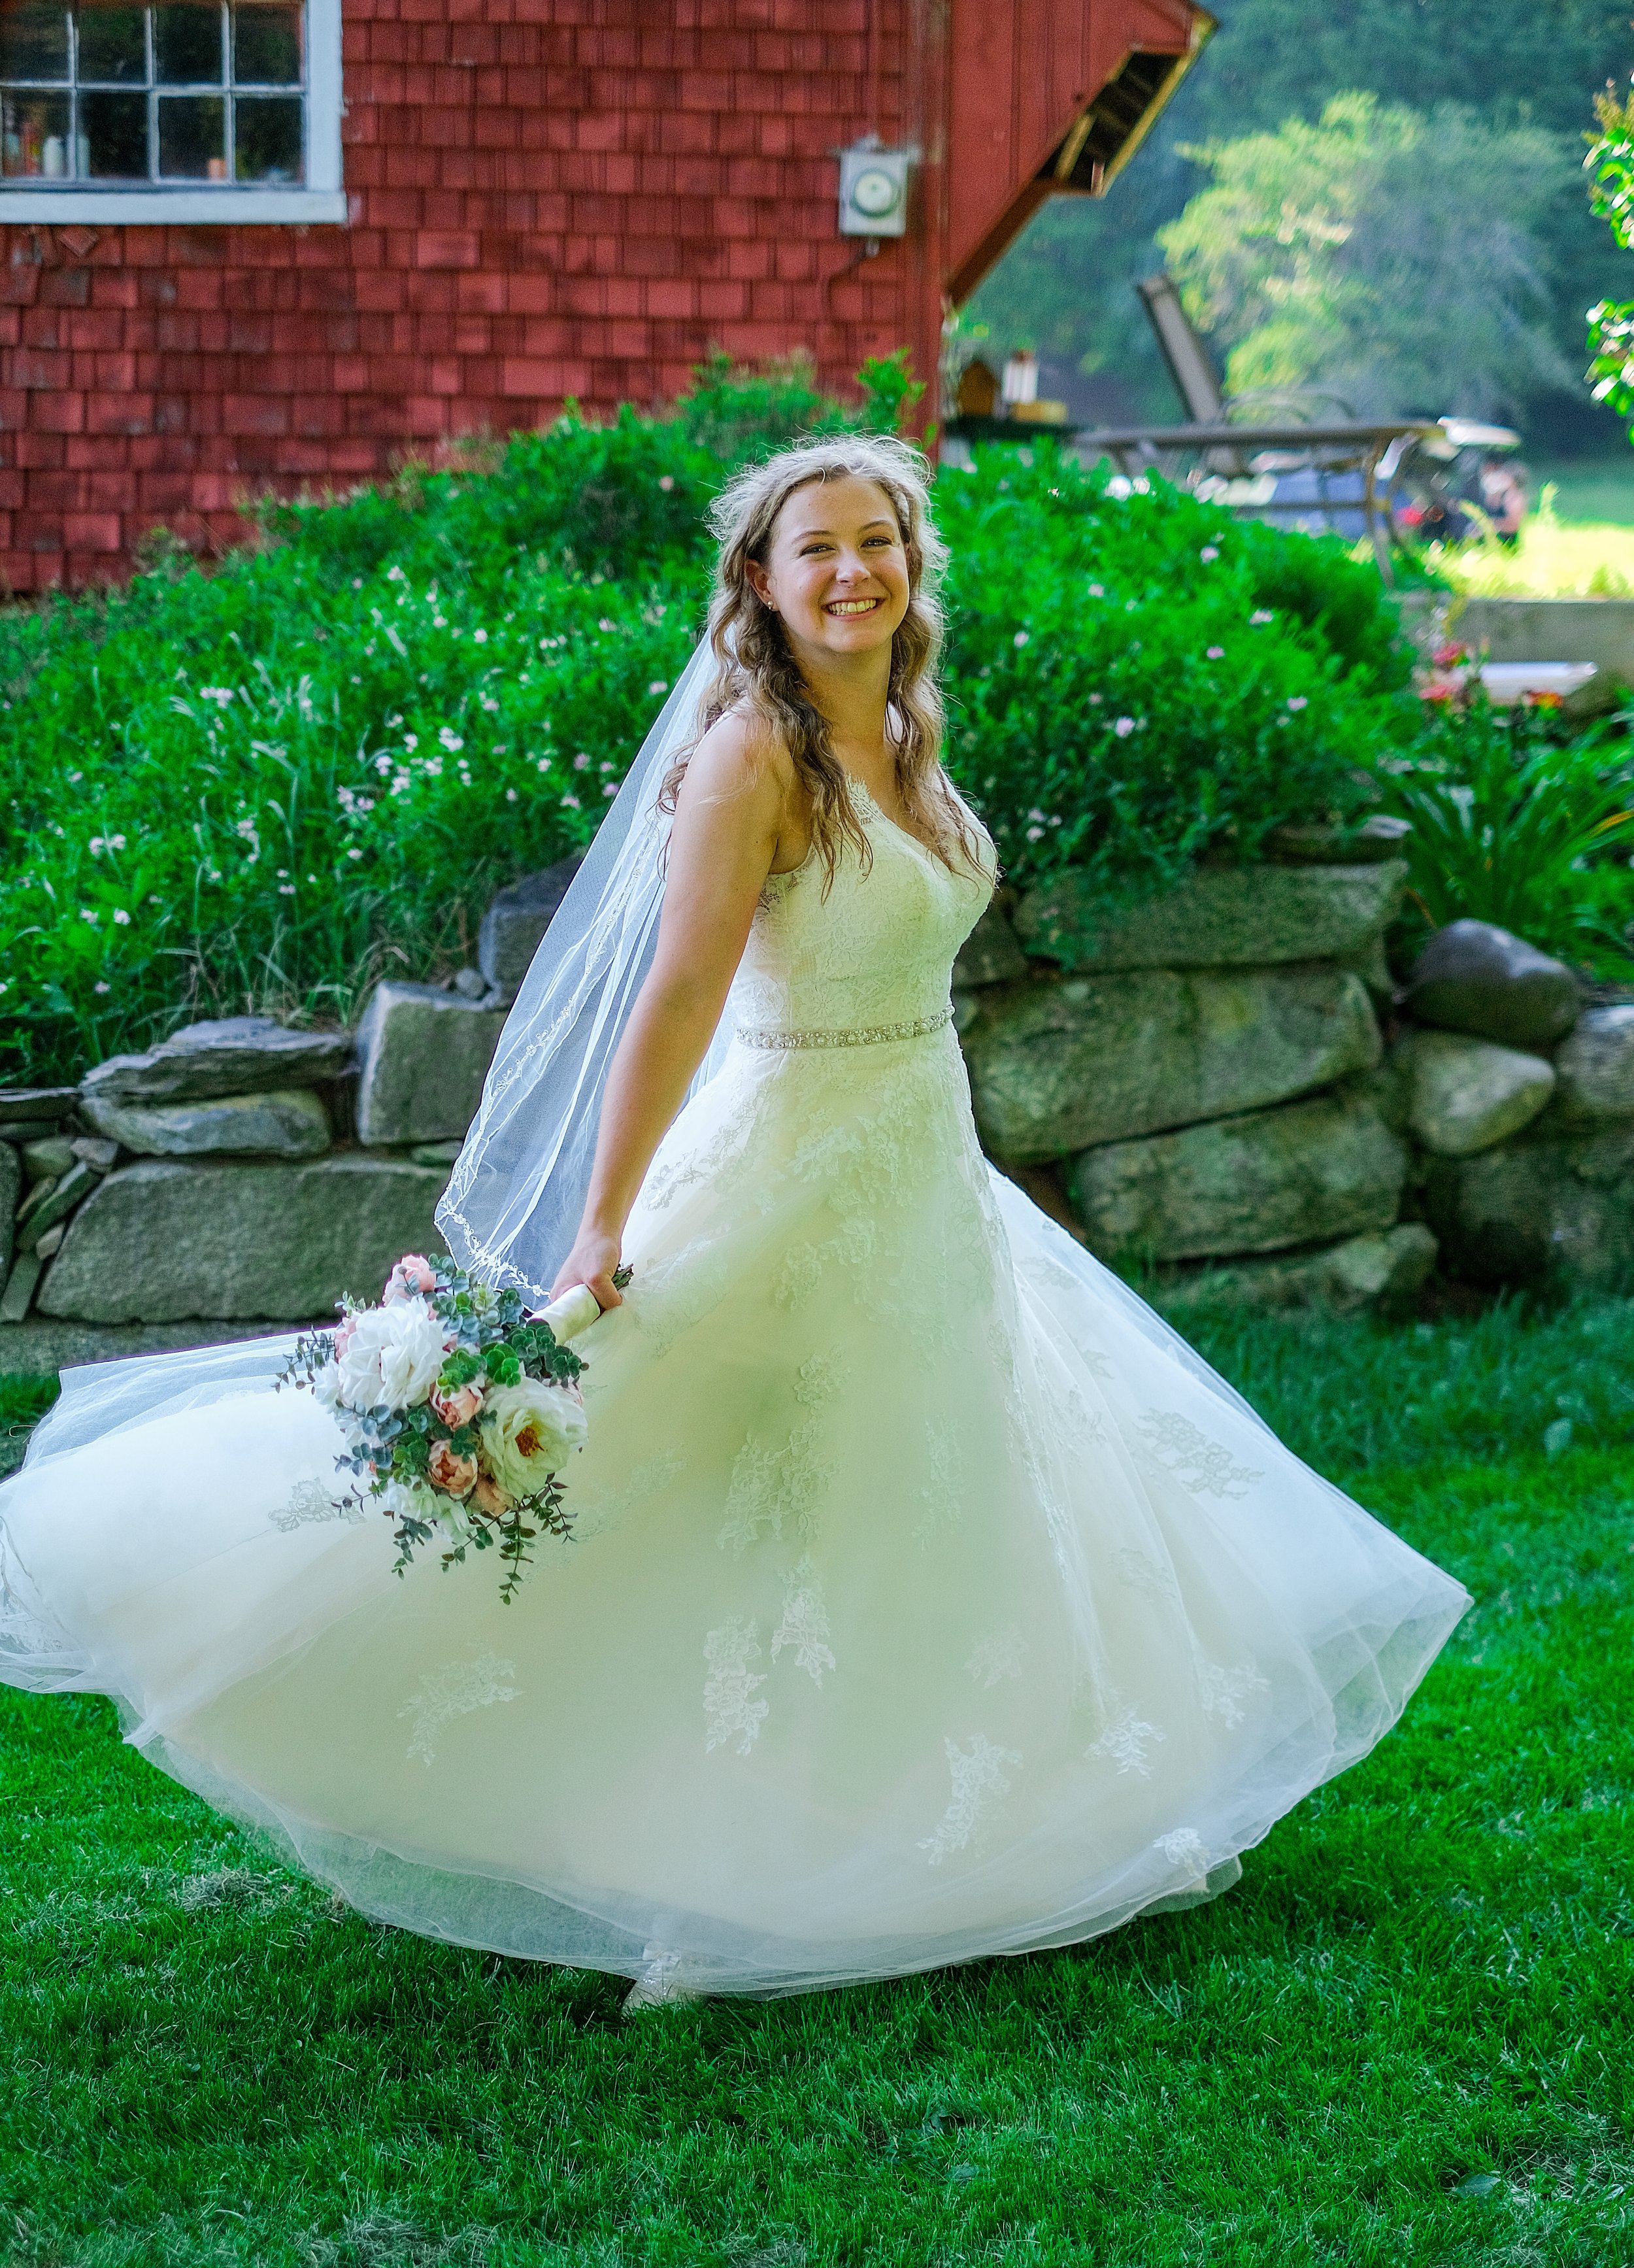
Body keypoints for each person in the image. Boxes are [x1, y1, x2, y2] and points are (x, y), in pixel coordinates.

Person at [0, 437, 1469, 2002]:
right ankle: (633, 1803)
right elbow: (677, 994)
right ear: (758, 584)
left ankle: (945, 1801)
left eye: (878, 543)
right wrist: (602, 1221)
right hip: (791, 1162)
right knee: (708, 1476)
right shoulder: (750, 759)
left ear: (912, 569)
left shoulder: (905, 726)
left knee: (933, 1482)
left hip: (917, 1172)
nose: (852, 571)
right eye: (814, 548)